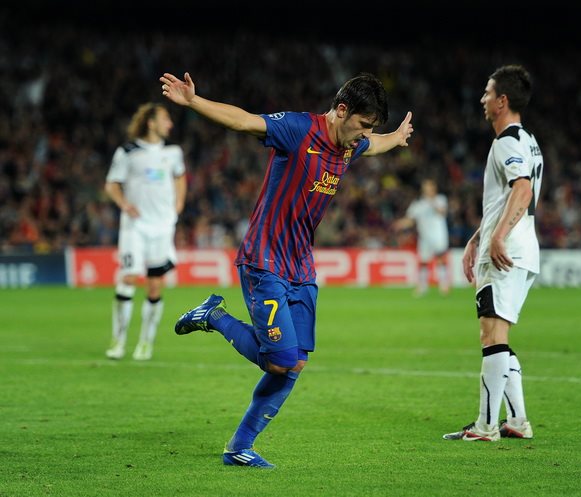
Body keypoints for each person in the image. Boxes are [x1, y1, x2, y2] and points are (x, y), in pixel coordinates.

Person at [160, 71, 413, 468]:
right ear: (341, 110)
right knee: (279, 360)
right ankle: (214, 316)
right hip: (265, 259)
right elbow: (244, 121)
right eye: (363, 125)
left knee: (294, 363)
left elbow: (373, 145)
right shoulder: (298, 130)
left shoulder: (351, 144)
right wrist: (194, 101)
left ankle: (239, 447)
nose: (364, 135)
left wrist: (394, 138)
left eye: (370, 128)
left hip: (301, 266)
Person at [443, 64, 542, 442]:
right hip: (520, 247)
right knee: (498, 335)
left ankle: (485, 427)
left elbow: (522, 190)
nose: (482, 99)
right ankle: (516, 420)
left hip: (506, 250)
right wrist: (477, 237)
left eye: (487, 93)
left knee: (491, 335)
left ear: (502, 100)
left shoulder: (507, 142)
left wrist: (497, 237)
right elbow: (506, 198)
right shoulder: (528, 140)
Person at [104, 103, 187, 361]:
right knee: (128, 277)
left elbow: (180, 177)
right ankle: (118, 340)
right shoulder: (128, 152)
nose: (170, 124)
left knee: (154, 285)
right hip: (135, 226)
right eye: (165, 119)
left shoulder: (173, 152)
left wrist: (179, 203)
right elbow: (111, 184)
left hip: (162, 227)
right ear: (151, 123)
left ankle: (145, 343)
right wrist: (123, 204)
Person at [394, 178, 450, 296]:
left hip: (438, 234)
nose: (428, 189)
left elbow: (442, 212)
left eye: (430, 187)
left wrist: (431, 201)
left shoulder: (440, 199)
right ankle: (422, 287)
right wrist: (400, 224)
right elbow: (410, 220)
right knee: (423, 261)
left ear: (434, 188)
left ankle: (444, 285)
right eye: (426, 187)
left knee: (440, 258)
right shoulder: (418, 204)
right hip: (424, 236)